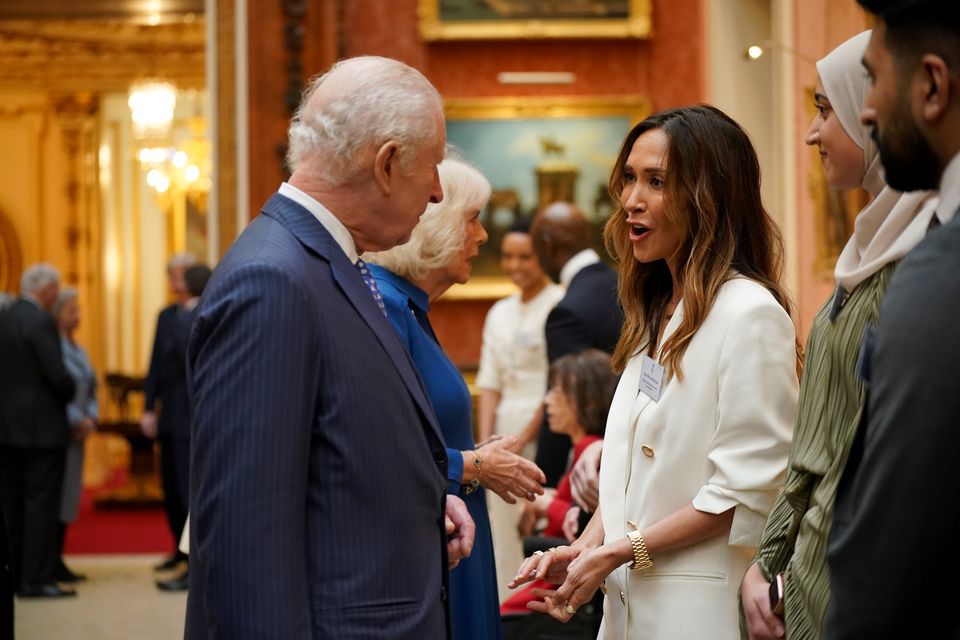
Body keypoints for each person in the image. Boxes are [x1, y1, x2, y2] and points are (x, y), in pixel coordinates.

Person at [185, 56, 475, 638]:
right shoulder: (273, 280)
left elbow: (333, 449)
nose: (439, 191)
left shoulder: (325, 262)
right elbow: (246, 539)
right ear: (388, 163)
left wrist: (416, 503)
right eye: (434, 166)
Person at [510, 105, 800, 639]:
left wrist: (622, 549)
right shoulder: (657, 313)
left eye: (656, 182)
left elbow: (742, 493)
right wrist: (585, 547)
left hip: (697, 612)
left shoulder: (750, 314)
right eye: (628, 179)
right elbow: (631, 476)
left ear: (709, 198)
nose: (630, 201)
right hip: (630, 611)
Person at [739, 30, 938, 640]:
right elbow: (814, 451)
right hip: (811, 580)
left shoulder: (925, 259)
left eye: (825, 109)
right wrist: (767, 562)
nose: (810, 132)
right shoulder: (869, 247)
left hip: (863, 591)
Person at [365, 156, 546, 640]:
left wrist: (477, 457)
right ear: (437, 228)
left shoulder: (408, 306)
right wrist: (476, 465)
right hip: (436, 534)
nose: (483, 236)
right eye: (472, 220)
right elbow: (379, 448)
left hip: (451, 525)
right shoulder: (388, 308)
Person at [823, 3, 960, 638]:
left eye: (873, 79)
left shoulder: (938, 275)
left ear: (931, 86)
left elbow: (889, 550)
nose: (867, 110)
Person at [474, 216, 563, 598]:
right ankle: (504, 607)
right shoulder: (499, 311)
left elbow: (556, 381)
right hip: (503, 431)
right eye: (508, 257)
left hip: (547, 428)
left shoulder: (558, 303)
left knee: (537, 526)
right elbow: (489, 384)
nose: (514, 266)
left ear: (541, 255)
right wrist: (484, 447)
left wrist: (526, 438)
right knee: (500, 526)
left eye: (524, 257)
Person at [501, 349, 614, 617]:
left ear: (586, 401)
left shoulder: (591, 452)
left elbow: (586, 521)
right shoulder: (580, 449)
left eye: (556, 391)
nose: (547, 401)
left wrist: (544, 502)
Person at [530, 202, 623, 488]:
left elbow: (565, 401)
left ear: (547, 245)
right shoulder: (625, 284)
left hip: (592, 466)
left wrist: (544, 480)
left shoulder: (567, 313)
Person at [0, 263, 77, 598]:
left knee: (11, 504)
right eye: (56, 289)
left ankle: (15, 574)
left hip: (6, 431)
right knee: (40, 505)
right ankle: (36, 578)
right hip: (41, 432)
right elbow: (57, 376)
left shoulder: (5, 317)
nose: (57, 295)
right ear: (45, 289)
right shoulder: (41, 321)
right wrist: (71, 388)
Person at [154, 263, 212, 593]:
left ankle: (194, 569)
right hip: (185, 416)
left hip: (191, 417)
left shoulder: (191, 317)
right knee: (182, 490)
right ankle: (185, 560)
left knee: (193, 493)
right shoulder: (178, 315)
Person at [141, 251, 196, 574]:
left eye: (182, 273)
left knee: (189, 485)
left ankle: (192, 559)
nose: (177, 281)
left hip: (193, 413)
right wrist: (148, 407)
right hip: (169, 414)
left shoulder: (205, 306)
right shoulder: (165, 316)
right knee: (172, 486)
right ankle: (178, 548)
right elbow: (155, 366)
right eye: (173, 274)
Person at [52, 287, 99, 584]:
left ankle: (57, 559)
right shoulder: (51, 347)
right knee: (56, 498)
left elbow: (91, 387)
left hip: (79, 432)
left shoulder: (78, 348)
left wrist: (91, 417)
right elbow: (56, 391)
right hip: (62, 430)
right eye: (71, 310)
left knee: (69, 496)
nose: (77, 316)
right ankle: (49, 560)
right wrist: (77, 419)